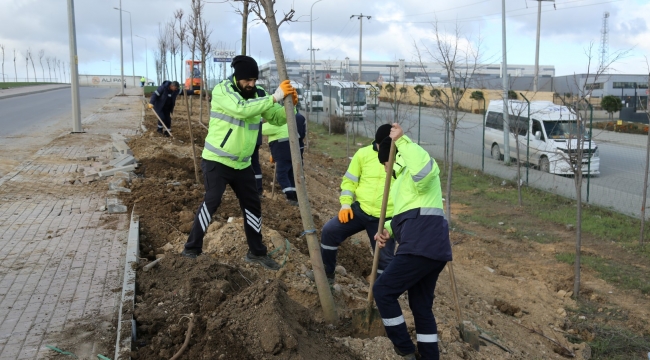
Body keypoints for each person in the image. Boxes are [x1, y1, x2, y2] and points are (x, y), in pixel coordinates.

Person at [181, 55, 297, 271]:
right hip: (217, 160)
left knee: (252, 205)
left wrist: (290, 106)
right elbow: (241, 109)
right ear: (237, 77)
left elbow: (277, 118)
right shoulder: (223, 90)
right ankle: (191, 249)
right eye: (247, 80)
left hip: (243, 164)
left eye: (254, 80)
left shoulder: (259, 94)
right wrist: (275, 97)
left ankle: (256, 252)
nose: (251, 84)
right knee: (212, 200)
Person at [373, 123, 452, 360]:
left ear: (391, 156)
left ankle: (405, 350)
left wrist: (402, 141)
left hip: (421, 246)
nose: (385, 169)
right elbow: (409, 214)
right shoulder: (401, 183)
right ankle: (429, 356)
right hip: (432, 247)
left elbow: (424, 173)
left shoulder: (415, 164)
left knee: (383, 290)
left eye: (384, 163)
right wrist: (388, 230)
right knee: (420, 306)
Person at [318, 124, 396, 283]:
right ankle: (327, 275)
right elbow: (349, 181)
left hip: (386, 218)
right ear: (377, 142)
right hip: (360, 210)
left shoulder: (400, 158)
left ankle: (379, 295)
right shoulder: (363, 154)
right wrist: (346, 204)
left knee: (385, 259)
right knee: (329, 231)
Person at [261, 110, 306, 205]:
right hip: (292, 153)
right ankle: (295, 196)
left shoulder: (277, 123)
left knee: (281, 174)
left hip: (282, 153)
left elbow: (261, 129)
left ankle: (289, 196)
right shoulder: (288, 123)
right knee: (290, 174)